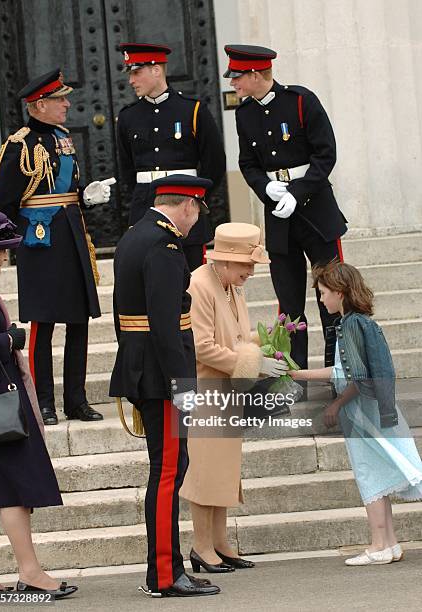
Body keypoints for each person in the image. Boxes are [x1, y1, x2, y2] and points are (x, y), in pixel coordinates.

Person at [109, 175, 220, 597]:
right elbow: (165, 324)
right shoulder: (164, 245)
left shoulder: (136, 234)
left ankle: (167, 568)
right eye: (197, 212)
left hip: (144, 368)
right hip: (160, 373)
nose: (196, 222)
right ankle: (164, 574)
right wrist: (183, 385)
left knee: (169, 470)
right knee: (169, 472)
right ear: (188, 206)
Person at [0, 68, 113, 425]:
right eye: (60, 99)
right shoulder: (20, 144)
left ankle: (76, 400)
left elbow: (66, 190)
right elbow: (4, 205)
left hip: (72, 236)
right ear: (39, 104)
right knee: (43, 324)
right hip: (39, 243)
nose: (67, 104)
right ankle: (44, 401)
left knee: (79, 322)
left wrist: (85, 199)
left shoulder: (64, 137)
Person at [223, 44, 348, 369]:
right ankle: (295, 376)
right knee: (289, 305)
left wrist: (299, 191)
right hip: (279, 216)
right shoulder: (244, 114)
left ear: (254, 73)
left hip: (316, 211)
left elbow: (326, 154)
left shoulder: (302, 101)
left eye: (237, 77)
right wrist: (266, 187)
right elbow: (247, 163)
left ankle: (340, 370)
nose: (233, 83)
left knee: (332, 297)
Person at [290, 261, 422, 565]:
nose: (321, 300)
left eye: (323, 294)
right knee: (378, 476)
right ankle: (389, 544)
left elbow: (350, 376)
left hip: (363, 413)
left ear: (339, 292)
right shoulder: (363, 322)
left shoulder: (348, 325)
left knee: (370, 478)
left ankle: (378, 545)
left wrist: (308, 381)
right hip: (378, 409)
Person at [179, 222, 288, 572]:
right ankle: (200, 547)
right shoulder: (200, 285)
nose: (250, 273)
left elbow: (240, 336)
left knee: (224, 470)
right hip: (200, 390)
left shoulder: (231, 286)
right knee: (203, 470)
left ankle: (220, 542)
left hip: (226, 389)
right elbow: (201, 346)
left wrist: (262, 353)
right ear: (224, 261)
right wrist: (250, 363)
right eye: (246, 265)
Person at [0, 210, 77, 598]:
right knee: (16, 490)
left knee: (2, 490)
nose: (5, 258)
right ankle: (30, 572)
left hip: (1, 399)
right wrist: (9, 340)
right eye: (0, 251)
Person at [117, 43, 226, 271]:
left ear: (156, 70)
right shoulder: (128, 117)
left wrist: (196, 199)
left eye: (136, 73)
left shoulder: (192, 110)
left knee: (192, 277)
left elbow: (214, 162)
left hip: (185, 203)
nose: (131, 81)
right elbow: (127, 168)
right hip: (146, 204)